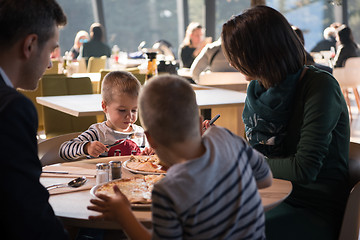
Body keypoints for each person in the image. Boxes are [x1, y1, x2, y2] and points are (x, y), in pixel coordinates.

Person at [88, 75, 272, 240]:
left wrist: (124, 216)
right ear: (200, 123)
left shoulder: (168, 190)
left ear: (150, 139)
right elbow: (265, 180)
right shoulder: (227, 138)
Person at [222, 6, 350, 240]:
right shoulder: (257, 89)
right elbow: (257, 153)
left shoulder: (320, 87)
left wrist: (244, 162)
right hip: (268, 193)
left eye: (236, 54)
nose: (231, 63)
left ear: (260, 51)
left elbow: (304, 169)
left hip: (312, 208)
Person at [0, 0, 68, 239]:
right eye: (51, 50)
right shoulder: (12, 108)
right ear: (29, 45)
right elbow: (27, 212)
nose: (50, 63)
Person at [59, 71, 153, 161]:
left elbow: (143, 160)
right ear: (105, 107)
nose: (129, 116)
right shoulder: (97, 133)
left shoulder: (141, 134)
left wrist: (147, 155)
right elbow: (64, 150)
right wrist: (86, 147)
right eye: (122, 110)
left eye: (134, 110)